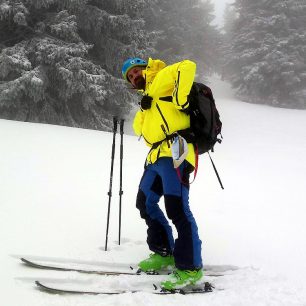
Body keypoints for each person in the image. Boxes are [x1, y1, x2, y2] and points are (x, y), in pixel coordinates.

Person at [121, 57, 203, 290]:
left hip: (176, 151)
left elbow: (188, 65)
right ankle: (164, 251)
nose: (134, 76)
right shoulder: (147, 97)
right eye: (130, 76)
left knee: (177, 209)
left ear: (146, 69)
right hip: (156, 156)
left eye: (136, 71)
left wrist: (178, 98)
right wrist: (144, 108)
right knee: (145, 203)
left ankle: (190, 268)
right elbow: (139, 129)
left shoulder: (163, 77)